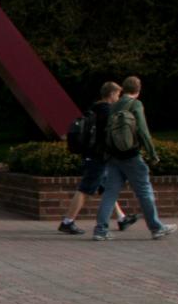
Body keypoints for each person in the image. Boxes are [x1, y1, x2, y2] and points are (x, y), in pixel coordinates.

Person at [93, 75, 177, 241]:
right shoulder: (135, 104)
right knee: (144, 191)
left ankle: (100, 230)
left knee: (110, 193)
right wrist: (152, 153)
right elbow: (143, 131)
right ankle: (156, 227)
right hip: (131, 155)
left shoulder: (114, 105)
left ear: (124, 89)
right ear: (138, 90)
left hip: (113, 155)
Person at [58, 81, 137, 235]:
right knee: (84, 190)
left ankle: (121, 218)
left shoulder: (94, 109)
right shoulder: (106, 112)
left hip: (92, 155)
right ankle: (67, 221)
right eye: (118, 95)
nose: (118, 98)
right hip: (98, 157)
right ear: (112, 94)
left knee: (107, 188)